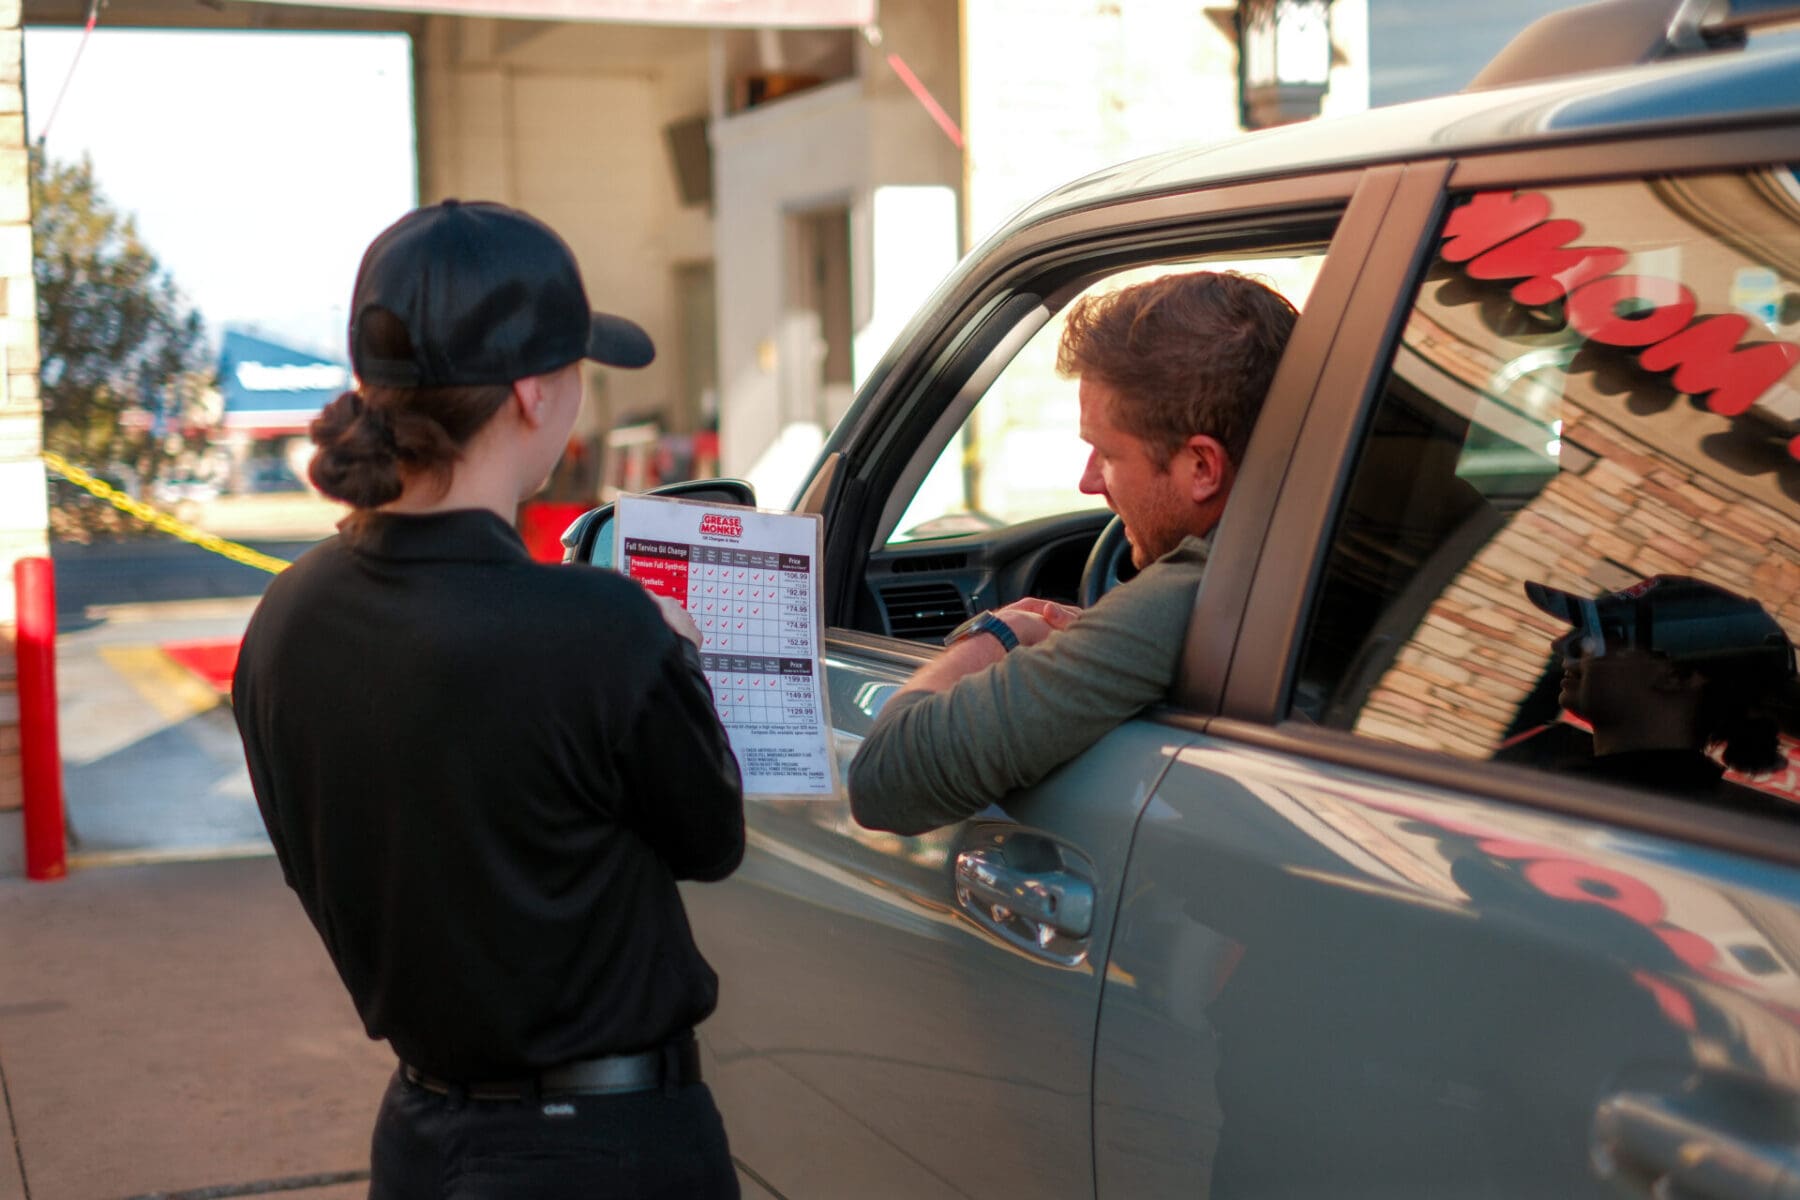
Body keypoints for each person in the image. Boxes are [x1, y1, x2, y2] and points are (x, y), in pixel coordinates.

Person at [231, 200, 746, 1198]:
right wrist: (670, 658)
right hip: (608, 1155)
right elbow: (709, 840)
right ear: (533, 393)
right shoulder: (603, 630)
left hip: (421, 1140)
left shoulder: (287, 616)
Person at [848, 270, 1298, 834]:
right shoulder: (1333, 542)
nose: (1088, 482)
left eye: (1106, 454)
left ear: (1202, 466)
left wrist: (1000, 632)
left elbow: (884, 778)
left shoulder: (1199, 589)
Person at [1514, 574, 1800, 816]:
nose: (1561, 645)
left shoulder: (1601, 804)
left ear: (1678, 676)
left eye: (1603, 634)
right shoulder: (1683, 809)